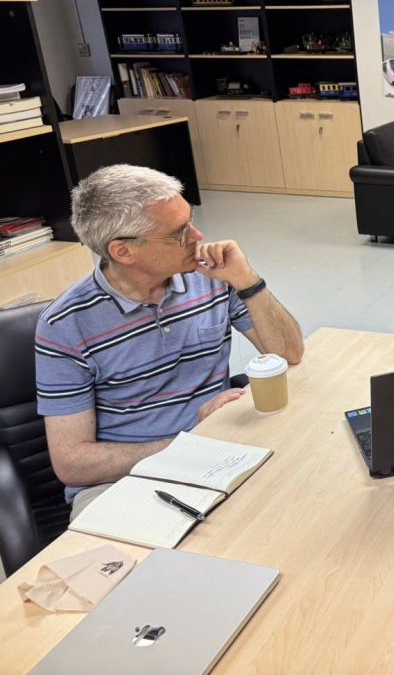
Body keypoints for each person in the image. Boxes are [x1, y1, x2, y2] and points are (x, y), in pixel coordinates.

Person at [36, 165, 304, 518]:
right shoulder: (64, 325)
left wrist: (246, 280)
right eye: (179, 233)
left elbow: (289, 354)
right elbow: (73, 464)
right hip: (124, 479)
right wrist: (192, 442)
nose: (198, 235)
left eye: (190, 219)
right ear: (123, 251)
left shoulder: (211, 276)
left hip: (224, 454)